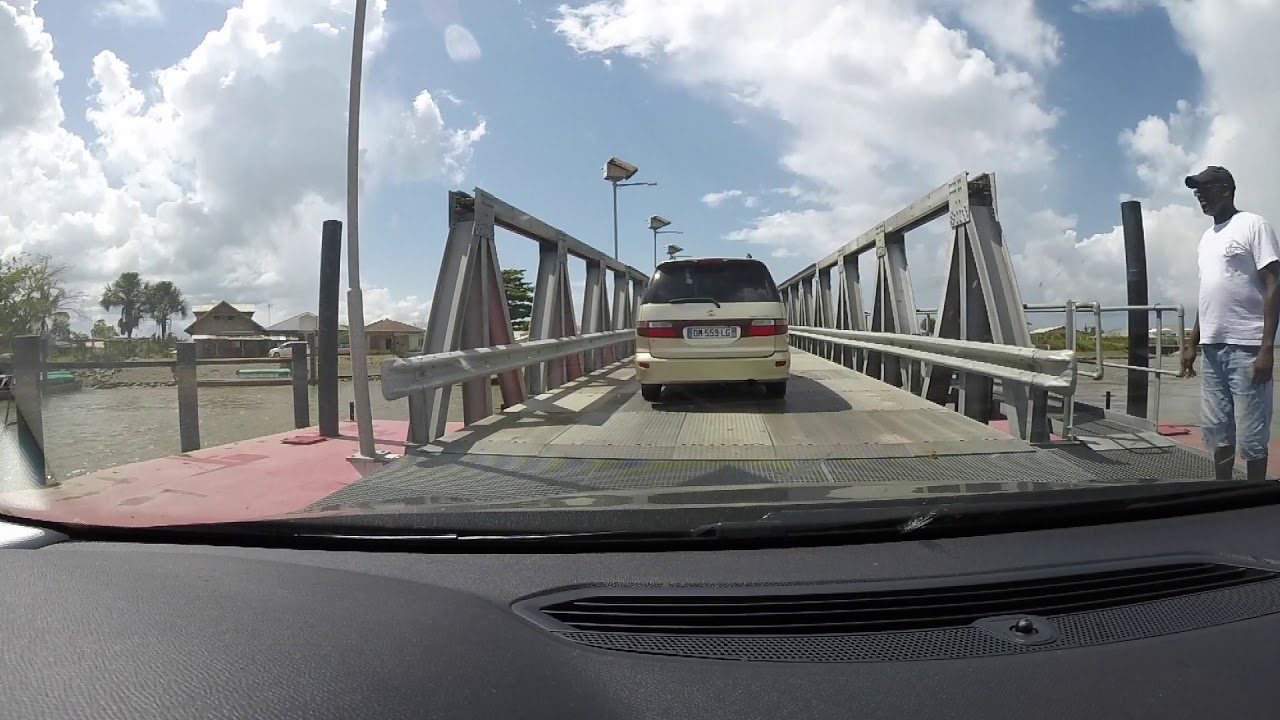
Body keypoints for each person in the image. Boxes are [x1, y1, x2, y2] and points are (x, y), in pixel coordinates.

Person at [1180, 166, 1280, 480]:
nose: (1200, 196)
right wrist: (1192, 343)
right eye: (1196, 192)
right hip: (1211, 350)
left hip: (1247, 348)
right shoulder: (1206, 238)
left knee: (1252, 436)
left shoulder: (1253, 225)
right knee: (1217, 433)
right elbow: (1207, 294)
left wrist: (1266, 349)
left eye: (1205, 189)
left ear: (1226, 189)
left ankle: (1255, 497)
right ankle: (1220, 491)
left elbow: (1274, 284)